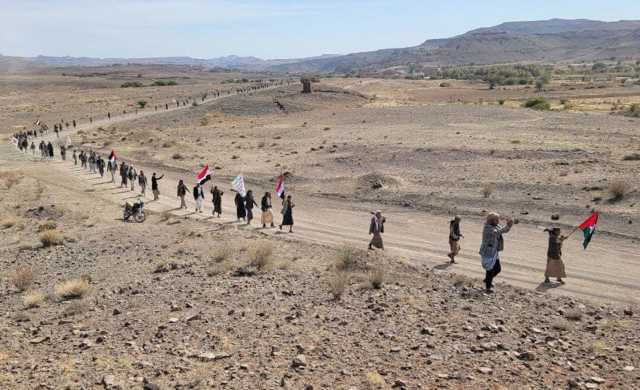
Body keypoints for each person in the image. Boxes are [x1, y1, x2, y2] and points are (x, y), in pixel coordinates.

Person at [479, 212, 514, 293]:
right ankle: (488, 287)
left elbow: (504, 230)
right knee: (490, 270)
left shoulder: (495, 226)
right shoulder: (488, 228)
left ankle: (487, 280)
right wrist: (508, 225)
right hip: (488, 252)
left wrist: (510, 224)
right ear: (492, 220)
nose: (498, 221)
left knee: (498, 269)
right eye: (497, 219)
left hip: (494, 251)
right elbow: (497, 232)